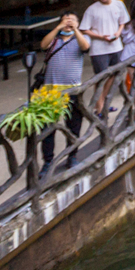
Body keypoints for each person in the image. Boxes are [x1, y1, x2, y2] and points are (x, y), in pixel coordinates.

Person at [36, 14, 89, 164]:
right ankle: (48, 161)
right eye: (66, 20)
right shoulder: (54, 40)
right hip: (50, 90)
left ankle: (72, 156)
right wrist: (58, 27)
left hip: (72, 90)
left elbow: (85, 47)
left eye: (72, 19)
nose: (69, 22)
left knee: (73, 126)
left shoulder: (80, 39)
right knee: (48, 128)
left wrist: (76, 30)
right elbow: (43, 45)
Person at [81, 0, 130, 76]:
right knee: (100, 77)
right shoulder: (91, 9)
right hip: (99, 50)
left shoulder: (119, 4)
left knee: (117, 74)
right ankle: (102, 91)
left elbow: (123, 21)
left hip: (116, 47)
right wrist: (101, 37)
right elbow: (84, 29)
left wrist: (118, 33)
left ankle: (108, 91)